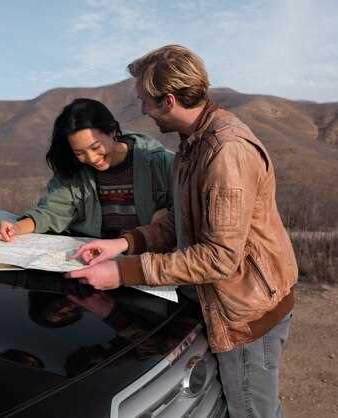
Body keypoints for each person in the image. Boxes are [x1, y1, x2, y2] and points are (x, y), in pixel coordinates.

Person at [67, 45, 298, 418]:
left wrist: (125, 271)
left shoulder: (225, 152)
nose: (142, 110)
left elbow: (220, 257)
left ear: (169, 100)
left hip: (248, 314)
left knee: (253, 412)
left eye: (145, 101)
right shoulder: (194, 145)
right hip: (228, 302)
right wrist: (123, 244)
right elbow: (182, 218)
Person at [0, 98, 174, 241]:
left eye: (95, 147)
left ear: (112, 130)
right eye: (79, 152)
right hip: (90, 258)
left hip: (142, 262)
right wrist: (16, 228)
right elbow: (51, 212)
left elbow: (185, 214)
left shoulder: (161, 163)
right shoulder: (73, 169)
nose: (91, 158)